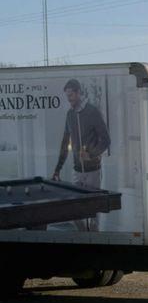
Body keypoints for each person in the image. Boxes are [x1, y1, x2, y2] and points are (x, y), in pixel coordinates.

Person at [51, 79, 110, 231]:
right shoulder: (70, 115)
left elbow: (106, 140)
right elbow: (65, 144)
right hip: (77, 171)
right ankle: (84, 237)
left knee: (93, 214)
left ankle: (94, 242)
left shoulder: (92, 112)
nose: (69, 99)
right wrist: (57, 169)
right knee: (74, 211)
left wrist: (91, 154)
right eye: (67, 96)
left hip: (93, 171)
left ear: (78, 93)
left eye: (70, 95)